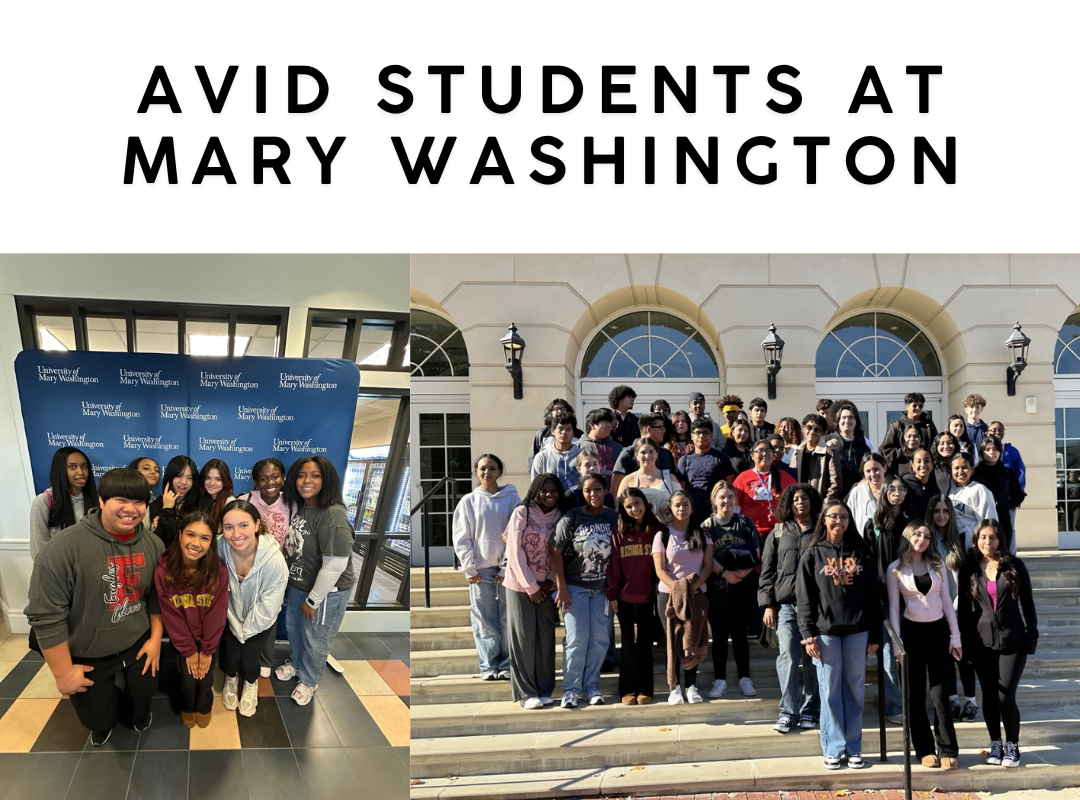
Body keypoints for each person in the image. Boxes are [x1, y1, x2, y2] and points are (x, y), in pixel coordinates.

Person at [25, 467, 163, 746]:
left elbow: (155, 597)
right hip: (87, 651)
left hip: (137, 643)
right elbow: (46, 616)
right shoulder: (63, 549)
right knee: (97, 720)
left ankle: (133, 710)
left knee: (142, 702)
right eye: (120, 500)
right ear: (101, 501)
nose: (130, 509)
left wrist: (156, 639)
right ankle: (102, 717)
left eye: (138, 502)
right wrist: (63, 673)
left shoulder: (154, 545)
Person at [796, 500, 881, 771]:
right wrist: (808, 634)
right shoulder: (812, 553)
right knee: (830, 690)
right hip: (825, 633)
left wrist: (875, 634)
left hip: (858, 631)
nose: (838, 521)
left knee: (855, 690)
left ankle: (854, 748)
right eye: (833, 517)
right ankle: (833, 748)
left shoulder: (862, 552)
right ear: (824, 520)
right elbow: (804, 598)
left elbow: (872, 596)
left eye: (844, 517)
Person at [958, 519, 1037, 769]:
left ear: (1000, 539)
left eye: (992, 537)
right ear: (976, 539)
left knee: (1005, 696)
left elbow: (1028, 603)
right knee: (990, 697)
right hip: (981, 642)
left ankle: (1012, 745)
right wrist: (965, 643)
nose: (988, 542)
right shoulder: (969, 567)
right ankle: (995, 743)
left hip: (1013, 640)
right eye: (983, 537)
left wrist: (1031, 635)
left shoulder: (1014, 565)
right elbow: (963, 610)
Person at [278, 456, 356, 705]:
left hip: (326, 592)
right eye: (301, 475)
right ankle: (298, 665)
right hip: (299, 585)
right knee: (296, 631)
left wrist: (313, 600)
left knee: (317, 638)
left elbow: (335, 565)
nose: (307, 480)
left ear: (327, 480)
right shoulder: (302, 506)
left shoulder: (332, 515)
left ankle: (309, 680)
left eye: (315, 475)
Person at [886, 521, 963, 770]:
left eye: (927, 536)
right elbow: (895, 608)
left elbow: (948, 603)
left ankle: (948, 748)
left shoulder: (937, 565)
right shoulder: (895, 569)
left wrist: (956, 636)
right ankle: (924, 749)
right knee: (915, 694)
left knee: (940, 693)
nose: (922, 539)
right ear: (908, 536)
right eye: (918, 534)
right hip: (912, 634)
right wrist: (898, 644)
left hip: (938, 631)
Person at [154, 510, 227, 727]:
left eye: (205, 538)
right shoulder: (163, 572)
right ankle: (188, 705)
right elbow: (172, 616)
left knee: (205, 679)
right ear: (180, 535)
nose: (196, 543)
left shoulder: (218, 570)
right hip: (182, 638)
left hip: (209, 638)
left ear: (211, 542)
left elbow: (217, 613)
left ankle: (205, 706)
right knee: (187, 679)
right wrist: (189, 650)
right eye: (191, 535)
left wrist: (205, 651)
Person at [759, 483, 822, 732]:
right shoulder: (777, 532)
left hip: (815, 606)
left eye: (805, 498)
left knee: (812, 658)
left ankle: (810, 710)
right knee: (787, 655)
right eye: (795, 499)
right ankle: (788, 711)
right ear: (788, 502)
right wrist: (768, 604)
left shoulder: (821, 529)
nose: (800, 502)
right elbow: (767, 571)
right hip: (785, 605)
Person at [502, 474, 568, 710]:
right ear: (535, 491)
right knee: (523, 638)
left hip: (548, 587)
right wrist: (531, 586)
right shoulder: (523, 512)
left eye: (554, 490)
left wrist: (549, 582)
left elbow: (562, 551)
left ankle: (544, 689)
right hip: (520, 586)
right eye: (544, 490)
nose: (549, 495)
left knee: (545, 638)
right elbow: (514, 551)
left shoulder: (562, 514)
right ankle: (526, 692)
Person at [553, 473, 619, 707]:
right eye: (588, 490)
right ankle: (571, 689)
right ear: (582, 493)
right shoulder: (572, 517)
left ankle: (591, 687)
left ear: (605, 491)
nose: (593, 494)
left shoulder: (614, 517)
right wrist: (561, 587)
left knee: (600, 639)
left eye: (598, 489)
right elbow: (554, 551)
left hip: (602, 590)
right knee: (577, 638)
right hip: (575, 588)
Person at [452, 454, 520, 681]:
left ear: (500, 471)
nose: (487, 473)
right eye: (482, 468)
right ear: (476, 471)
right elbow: (462, 537)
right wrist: (469, 568)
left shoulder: (511, 498)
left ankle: (508, 663)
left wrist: (505, 567)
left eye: (492, 468)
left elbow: (516, 535)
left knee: (507, 618)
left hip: (507, 570)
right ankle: (488, 665)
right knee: (484, 619)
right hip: (480, 571)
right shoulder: (468, 501)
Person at [218, 499, 288, 717]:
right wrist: (233, 624)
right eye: (229, 527)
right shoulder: (219, 546)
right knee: (230, 660)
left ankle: (250, 683)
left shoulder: (274, 561)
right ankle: (231, 679)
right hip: (229, 616)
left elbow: (269, 607)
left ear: (257, 525)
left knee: (249, 661)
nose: (236, 534)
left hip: (259, 620)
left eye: (244, 525)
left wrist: (244, 632)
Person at [864, 475, 917, 725]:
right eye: (892, 488)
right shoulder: (872, 524)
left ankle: (913, 703)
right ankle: (895, 706)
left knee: (911, 653)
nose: (897, 492)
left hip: (912, 597)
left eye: (902, 489)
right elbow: (866, 562)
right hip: (883, 598)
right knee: (888, 653)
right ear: (884, 491)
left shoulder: (912, 524)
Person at [653, 490, 713, 705]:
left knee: (692, 640)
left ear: (691, 507)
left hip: (697, 595)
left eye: (685, 504)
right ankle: (675, 687)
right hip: (668, 596)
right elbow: (660, 570)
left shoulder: (703, 534)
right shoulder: (662, 535)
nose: (681, 508)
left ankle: (691, 685)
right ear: (670, 508)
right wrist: (679, 590)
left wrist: (691, 588)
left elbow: (707, 567)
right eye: (677, 505)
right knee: (673, 640)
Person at [701, 481, 760, 699]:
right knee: (718, 636)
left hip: (743, 588)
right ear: (714, 500)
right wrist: (724, 572)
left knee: (740, 636)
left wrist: (743, 573)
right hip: (717, 588)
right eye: (722, 497)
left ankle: (745, 678)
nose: (726, 501)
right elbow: (705, 557)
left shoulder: (745, 522)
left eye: (730, 497)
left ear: (736, 500)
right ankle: (720, 679)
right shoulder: (707, 525)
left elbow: (756, 552)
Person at [236, 457, 291, 679]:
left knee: (269, 612)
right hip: (245, 567)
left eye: (275, 476)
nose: (270, 482)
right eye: (263, 478)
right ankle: (239, 655)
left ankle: (265, 659)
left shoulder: (292, 503)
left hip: (274, 570)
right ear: (256, 482)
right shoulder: (245, 499)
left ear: (283, 478)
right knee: (241, 610)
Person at [607, 487, 663, 705]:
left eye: (637, 503)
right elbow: (614, 564)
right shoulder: (619, 530)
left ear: (645, 503)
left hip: (649, 595)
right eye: (628, 506)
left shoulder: (657, 529)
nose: (634, 509)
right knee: (628, 643)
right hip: (624, 596)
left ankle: (645, 689)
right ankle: (627, 690)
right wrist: (612, 593)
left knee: (645, 643)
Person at [925, 495, 977, 722]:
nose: (941, 515)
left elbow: (971, 574)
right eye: (936, 511)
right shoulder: (927, 538)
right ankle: (952, 700)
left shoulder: (963, 535)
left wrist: (961, 602)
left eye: (945, 511)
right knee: (944, 657)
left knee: (964, 656)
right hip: (936, 606)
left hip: (961, 604)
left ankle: (971, 701)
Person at [29, 446, 98, 560]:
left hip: (91, 567)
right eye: (72, 467)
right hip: (60, 572)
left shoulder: (97, 500)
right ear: (60, 470)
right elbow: (39, 550)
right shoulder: (43, 502)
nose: (80, 472)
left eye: (84, 466)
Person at [732, 439, 796, 540]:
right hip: (751, 530)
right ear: (752, 456)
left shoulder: (784, 476)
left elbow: (797, 497)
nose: (765, 453)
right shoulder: (743, 478)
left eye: (768, 450)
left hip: (778, 529)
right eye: (760, 451)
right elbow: (735, 507)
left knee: (775, 553)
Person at [676, 419, 735, 524]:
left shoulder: (722, 458)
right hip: (693, 513)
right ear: (691, 436)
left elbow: (730, 487)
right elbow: (681, 490)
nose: (701, 436)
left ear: (711, 436)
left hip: (717, 512)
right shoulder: (684, 460)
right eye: (698, 433)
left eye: (705, 433)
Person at [973, 435, 1024, 555]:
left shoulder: (1007, 472)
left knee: (1003, 553)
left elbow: (1018, 494)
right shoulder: (975, 473)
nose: (992, 452)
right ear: (982, 452)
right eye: (988, 449)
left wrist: (1008, 505)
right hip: (981, 520)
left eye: (995, 449)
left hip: (1003, 519)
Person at [611, 412, 675, 497]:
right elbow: (616, 487)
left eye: (663, 427)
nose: (664, 430)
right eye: (660, 427)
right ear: (648, 429)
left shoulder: (666, 453)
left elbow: (674, 484)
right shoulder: (628, 453)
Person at [149, 455, 205, 550]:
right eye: (179, 476)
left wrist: (165, 521)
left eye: (189, 478)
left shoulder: (202, 504)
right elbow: (165, 541)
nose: (184, 482)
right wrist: (167, 508)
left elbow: (199, 535)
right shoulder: (156, 505)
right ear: (170, 477)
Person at [947, 453, 998, 549]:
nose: (960, 471)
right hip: (953, 544)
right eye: (956, 468)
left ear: (972, 469)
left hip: (972, 545)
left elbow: (989, 522)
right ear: (951, 470)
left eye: (965, 467)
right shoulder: (950, 490)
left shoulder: (980, 490)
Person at [621, 437, 678, 522]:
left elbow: (682, 502)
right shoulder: (628, 480)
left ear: (657, 454)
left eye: (651, 452)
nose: (647, 456)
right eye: (643, 452)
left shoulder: (669, 477)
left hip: (667, 529)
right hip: (638, 532)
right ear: (636, 455)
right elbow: (620, 509)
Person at [988, 420, 1026, 541]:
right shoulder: (983, 450)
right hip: (990, 497)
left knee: (1010, 528)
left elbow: (1021, 473)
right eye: (993, 430)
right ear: (987, 432)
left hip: (1008, 499)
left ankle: (1010, 556)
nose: (997, 432)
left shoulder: (1011, 451)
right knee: (990, 527)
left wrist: (1015, 497)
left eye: (1000, 430)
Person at [791, 414, 840, 504]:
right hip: (799, 504)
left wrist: (824, 505)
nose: (812, 432)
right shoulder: (796, 453)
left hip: (818, 505)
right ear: (804, 428)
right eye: (809, 427)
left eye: (817, 430)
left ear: (822, 433)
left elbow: (835, 485)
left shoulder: (829, 454)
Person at [879, 392, 939, 466]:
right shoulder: (897, 426)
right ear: (907, 406)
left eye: (920, 406)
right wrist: (905, 450)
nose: (918, 408)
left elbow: (936, 447)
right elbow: (887, 451)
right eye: (914, 405)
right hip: (902, 470)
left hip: (924, 469)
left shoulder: (929, 425)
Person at [823, 402, 871, 494]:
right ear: (838, 421)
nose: (847, 421)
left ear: (856, 422)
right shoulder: (826, 441)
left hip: (856, 493)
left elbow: (867, 470)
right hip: (832, 493)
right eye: (843, 418)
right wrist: (826, 450)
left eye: (851, 418)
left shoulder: (863, 447)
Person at [531, 411, 582, 493]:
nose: (564, 433)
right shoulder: (542, 457)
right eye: (561, 429)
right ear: (553, 431)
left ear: (573, 433)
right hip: (550, 503)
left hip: (577, 503)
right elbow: (536, 486)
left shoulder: (582, 456)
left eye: (568, 429)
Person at [527, 398, 582, 471]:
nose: (559, 411)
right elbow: (533, 457)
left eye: (563, 409)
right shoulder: (542, 434)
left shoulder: (578, 433)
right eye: (556, 409)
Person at [846, 452, 888, 538]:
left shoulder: (893, 490)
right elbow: (849, 519)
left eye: (876, 469)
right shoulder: (857, 492)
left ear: (884, 468)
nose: (873, 474)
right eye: (868, 471)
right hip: (863, 544)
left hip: (888, 543)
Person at [903, 448, 950, 519]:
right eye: (918, 461)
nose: (923, 465)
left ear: (932, 463)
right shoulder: (905, 484)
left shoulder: (936, 487)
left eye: (927, 461)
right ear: (912, 464)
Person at [578, 408, 621, 481]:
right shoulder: (577, 447)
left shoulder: (618, 448)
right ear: (592, 425)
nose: (609, 425)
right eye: (605, 422)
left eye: (609, 422)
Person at [200, 458, 235, 529]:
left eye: (218, 479)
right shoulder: (198, 499)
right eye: (208, 478)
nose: (212, 483)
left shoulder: (230, 503)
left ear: (225, 481)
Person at [609, 385, 639, 449]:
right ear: (619, 399)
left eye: (633, 397)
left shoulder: (635, 420)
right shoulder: (608, 418)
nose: (632, 399)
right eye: (629, 397)